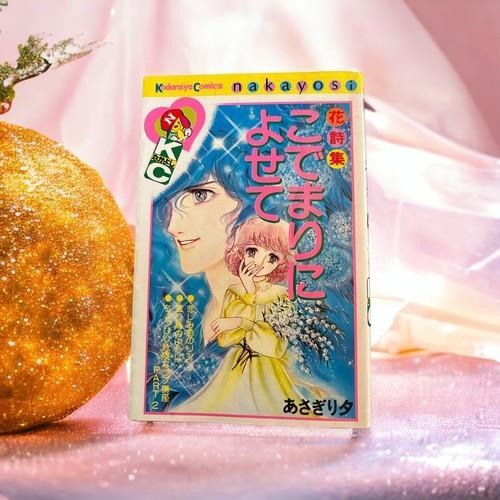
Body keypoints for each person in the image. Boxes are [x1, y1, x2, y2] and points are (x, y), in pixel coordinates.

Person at [175, 217, 323, 416]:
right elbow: (227, 338)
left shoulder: (281, 295)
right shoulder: (234, 292)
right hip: (235, 365)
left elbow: (275, 345)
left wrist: (241, 320)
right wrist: (248, 293)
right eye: (252, 251)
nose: (260, 262)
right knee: (217, 407)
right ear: (241, 252)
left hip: (267, 368)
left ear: (281, 263)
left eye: (272, 257)